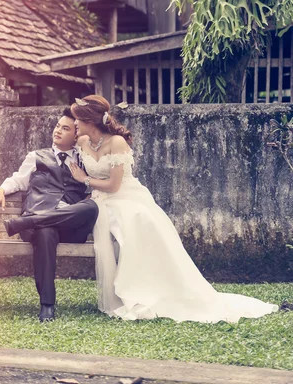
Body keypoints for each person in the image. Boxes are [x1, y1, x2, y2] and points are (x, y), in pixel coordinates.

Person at [68, 94, 279, 322]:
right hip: (100, 201)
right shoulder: (82, 142)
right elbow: (60, 148)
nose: (74, 124)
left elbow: (115, 185)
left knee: (139, 221)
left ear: (90, 120)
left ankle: (147, 290)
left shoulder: (116, 142)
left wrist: (84, 180)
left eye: (77, 119)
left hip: (125, 198)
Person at [0, 107, 98, 322]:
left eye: (65, 128)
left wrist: (86, 183)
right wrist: (0, 189)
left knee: (92, 207)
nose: (58, 131)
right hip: (43, 225)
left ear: (76, 135)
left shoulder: (85, 159)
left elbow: (98, 187)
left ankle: (27, 221)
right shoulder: (36, 156)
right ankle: (47, 305)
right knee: (45, 232)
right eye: (58, 126)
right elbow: (18, 180)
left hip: (69, 227)